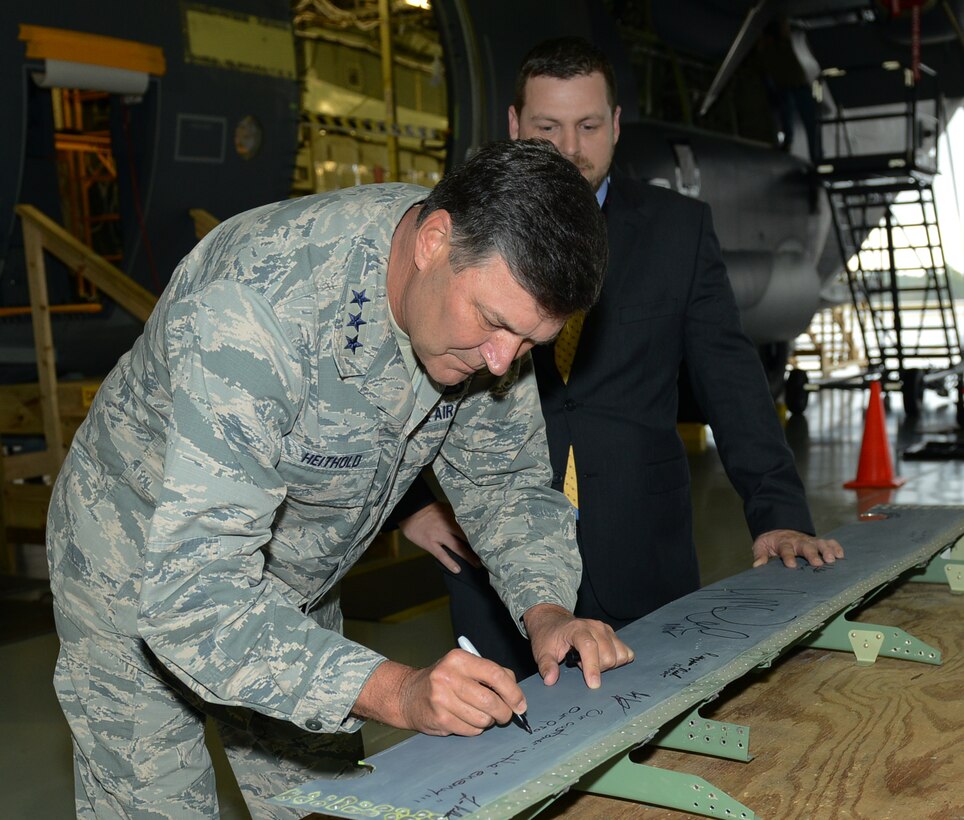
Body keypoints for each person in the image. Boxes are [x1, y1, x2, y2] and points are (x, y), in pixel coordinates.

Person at [46, 138, 634, 818]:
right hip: (138, 573)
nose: (502, 364)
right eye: (496, 325)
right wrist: (401, 692)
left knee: (328, 808)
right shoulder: (254, 312)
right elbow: (195, 596)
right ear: (433, 241)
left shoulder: (482, 307)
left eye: (527, 342)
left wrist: (547, 610)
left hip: (291, 575)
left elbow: (505, 481)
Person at [396, 37, 843, 677]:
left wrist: (777, 515)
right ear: (516, 125)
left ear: (616, 125)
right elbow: (396, 359)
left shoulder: (677, 231)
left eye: (588, 126)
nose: (571, 149)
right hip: (497, 569)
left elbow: (732, 382)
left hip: (644, 555)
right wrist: (410, 504)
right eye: (548, 128)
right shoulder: (465, 228)